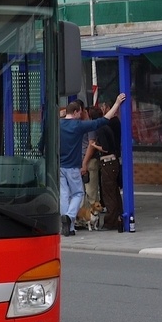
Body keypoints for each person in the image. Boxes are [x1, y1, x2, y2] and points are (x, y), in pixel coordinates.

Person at [59, 93, 126, 236]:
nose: (82, 114)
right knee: (78, 193)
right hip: (72, 166)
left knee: (64, 194)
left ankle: (68, 226)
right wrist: (116, 104)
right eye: (80, 112)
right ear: (76, 112)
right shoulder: (78, 125)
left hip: (60, 166)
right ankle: (70, 217)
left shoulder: (58, 124)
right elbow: (102, 121)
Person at [92, 103, 123, 231]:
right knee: (114, 191)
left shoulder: (100, 129)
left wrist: (94, 145)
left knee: (108, 193)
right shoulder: (107, 126)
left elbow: (105, 148)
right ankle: (119, 216)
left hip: (108, 162)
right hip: (113, 162)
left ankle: (110, 222)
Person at [80, 105, 102, 206]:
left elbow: (91, 144)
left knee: (91, 192)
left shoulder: (90, 125)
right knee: (81, 193)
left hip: (89, 161)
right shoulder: (79, 124)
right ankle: (83, 217)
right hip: (81, 160)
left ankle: (94, 218)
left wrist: (84, 163)